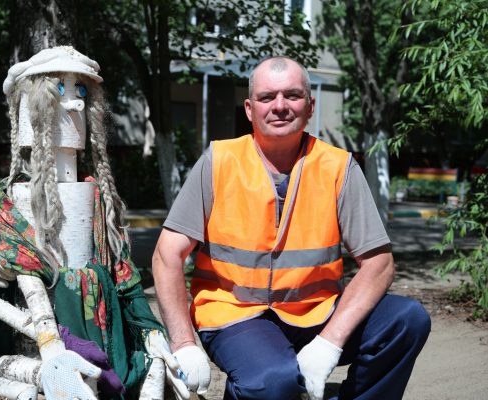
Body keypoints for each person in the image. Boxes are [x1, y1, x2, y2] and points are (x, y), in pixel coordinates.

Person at [152, 56, 431, 400]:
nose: (280, 106)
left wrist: (329, 344)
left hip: (318, 312)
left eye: (292, 96)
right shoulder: (219, 161)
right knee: (272, 382)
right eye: (268, 97)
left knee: (407, 320)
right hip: (236, 316)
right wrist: (183, 343)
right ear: (250, 109)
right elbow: (168, 254)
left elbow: (380, 264)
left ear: (311, 106)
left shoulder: (338, 167)